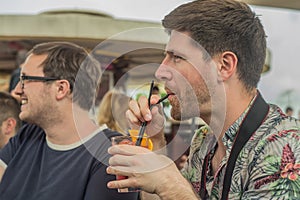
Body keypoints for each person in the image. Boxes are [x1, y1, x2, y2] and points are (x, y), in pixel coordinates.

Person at [106, 0, 300, 199]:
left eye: (177, 57)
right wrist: (155, 144)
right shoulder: (203, 141)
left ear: (224, 66)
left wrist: (170, 184)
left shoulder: (286, 147)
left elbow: (175, 193)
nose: (161, 71)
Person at [0, 42, 138, 200]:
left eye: (25, 79)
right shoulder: (28, 135)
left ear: (60, 89)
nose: (17, 90)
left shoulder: (113, 153)